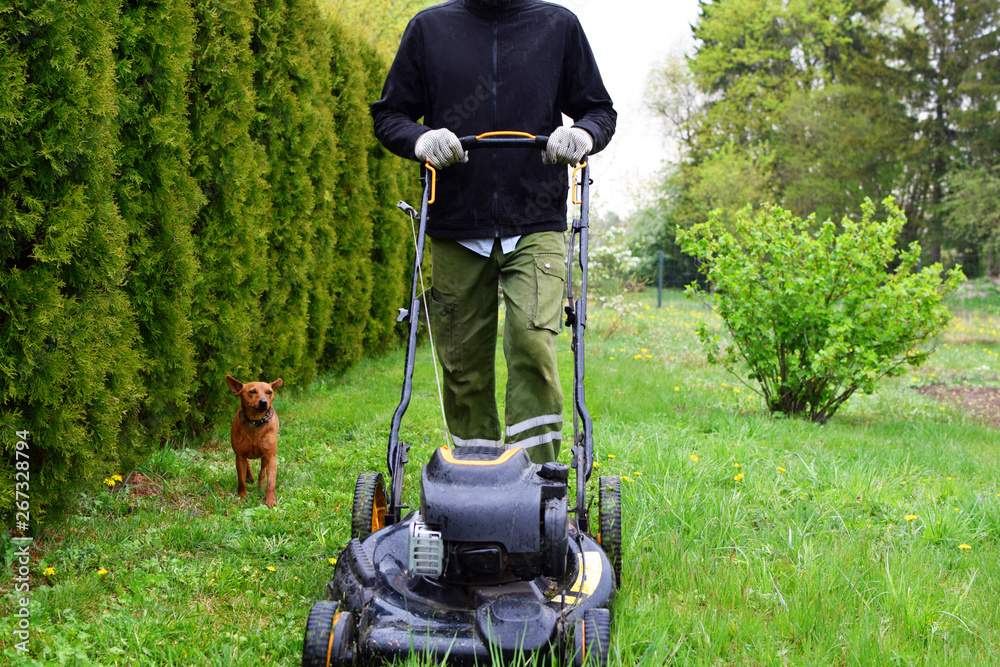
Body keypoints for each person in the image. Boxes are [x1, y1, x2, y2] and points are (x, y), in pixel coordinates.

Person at [371, 0, 616, 463]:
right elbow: (390, 115)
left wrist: (582, 135)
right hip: (455, 223)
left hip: (535, 220)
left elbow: (599, 111)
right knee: (462, 366)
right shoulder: (430, 28)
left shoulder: (557, 26)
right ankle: (473, 477)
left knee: (531, 343)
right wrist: (421, 140)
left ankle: (539, 481)